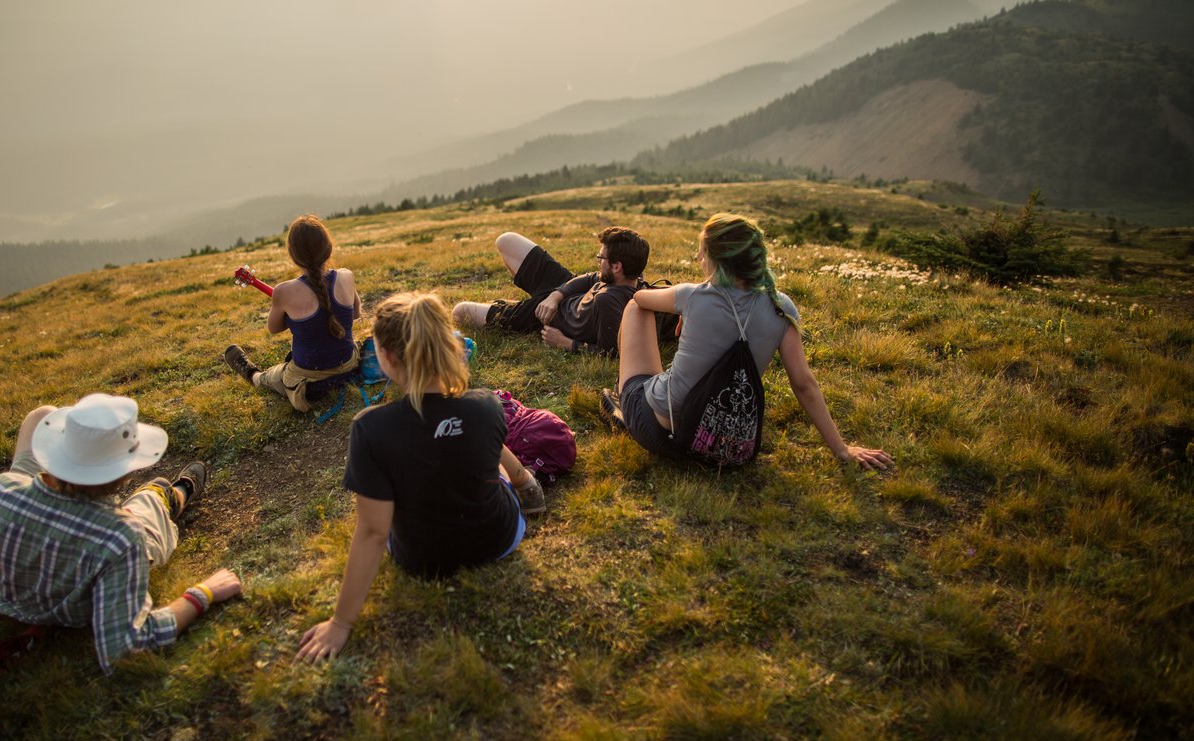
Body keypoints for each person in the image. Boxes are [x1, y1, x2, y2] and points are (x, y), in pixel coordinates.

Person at [295, 292, 547, 663]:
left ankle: (520, 481)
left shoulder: (370, 428)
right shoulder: (486, 404)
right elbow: (488, 451)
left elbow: (373, 532)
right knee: (483, 452)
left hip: (422, 560)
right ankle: (526, 483)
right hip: (500, 538)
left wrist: (342, 622)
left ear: (389, 358)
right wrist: (522, 480)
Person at [0, 393, 242, 673]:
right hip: (74, 605)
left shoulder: (0, 489)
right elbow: (123, 649)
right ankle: (172, 494)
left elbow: (35, 429)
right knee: (149, 503)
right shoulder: (120, 536)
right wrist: (202, 594)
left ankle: (156, 493)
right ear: (123, 474)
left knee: (42, 414)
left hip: (13, 596)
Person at [611, 213, 893, 470]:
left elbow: (639, 297)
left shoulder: (692, 295)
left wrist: (684, 305)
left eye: (703, 250)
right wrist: (841, 449)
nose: (698, 256)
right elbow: (803, 383)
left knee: (636, 310)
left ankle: (624, 399)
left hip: (662, 434)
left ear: (718, 259)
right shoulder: (781, 306)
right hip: (726, 445)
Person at [225, 215, 362, 412]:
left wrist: (295, 313)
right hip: (349, 367)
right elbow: (356, 313)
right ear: (329, 247)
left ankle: (252, 374)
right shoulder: (346, 276)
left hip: (311, 384)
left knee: (275, 376)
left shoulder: (283, 292)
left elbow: (274, 328)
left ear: (293, 255)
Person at [452, 227, 650, 355]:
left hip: (545, 316)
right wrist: (556, 295)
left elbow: (610, 353)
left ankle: (518, 309)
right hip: (562, 290)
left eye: (601, 259)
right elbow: (591, 277)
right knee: (506, 240)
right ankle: (526, 302)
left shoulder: (609, 301)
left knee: (460, 312)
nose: (598, 262)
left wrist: (564, 342)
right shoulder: (633, 277)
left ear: (617, 267)